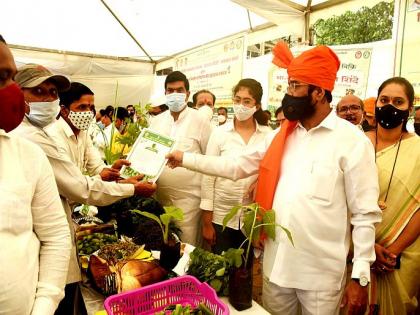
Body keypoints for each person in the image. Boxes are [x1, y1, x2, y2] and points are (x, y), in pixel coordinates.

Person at [167, 42, 382, 315]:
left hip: (320, 278)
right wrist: (184, 158)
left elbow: (365, 214)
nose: (288, 94)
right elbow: (235, 166)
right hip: (275, 269)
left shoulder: (352, 142)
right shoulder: (281, 136)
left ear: (318, 92)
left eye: (295, 86)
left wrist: (360, 276)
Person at [11, 63, 156, 315]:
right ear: (17, 93)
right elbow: (81, 187)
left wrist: (115, 176)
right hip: (40, 239)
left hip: (56, 226)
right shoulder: (34, 138)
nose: (48, 99)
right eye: (38, 92)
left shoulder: (45, 132)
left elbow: (93, 170)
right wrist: (132, 190)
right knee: (57, 299)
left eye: (53, 92)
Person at [0, 34, 71, 315]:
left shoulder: (27, 153)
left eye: (54, 93)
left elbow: (54, 236)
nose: (10, 90)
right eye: (1, 78)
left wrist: (43, 306)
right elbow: (81, 187)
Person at [365, 77, 419, 315]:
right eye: (384, 100)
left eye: (398, 102)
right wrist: (366, 247)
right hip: (355, 247)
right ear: (376, 103)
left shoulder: (418, 149)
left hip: (402, 253)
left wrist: (393, 249)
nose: (390, 106)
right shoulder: (356, 144)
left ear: (409, 109)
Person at [201, 78, 271, 253]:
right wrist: (207, 222)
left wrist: (259, 180)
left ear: (258, 105)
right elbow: (208, 176)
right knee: (220, 270)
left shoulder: (267, 135)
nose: (241, 105)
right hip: (221, 216)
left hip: (251, 219)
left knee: (244, 271)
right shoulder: (219, 134)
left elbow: (271, 170)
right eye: (237, 100)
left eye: (247, 101)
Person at [149, 71, 212, 246]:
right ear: (165, 93)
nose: (175, 94)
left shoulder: (201, 121)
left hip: (189, 202)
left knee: (185, 247)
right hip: (159, 198)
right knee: (161, 246)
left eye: (180, 90)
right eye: (170, 90)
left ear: (188, 94)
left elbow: (210, 163)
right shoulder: (156, 121)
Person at [50, 82, 128, 181]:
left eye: (91, 108)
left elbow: (96, 167)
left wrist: (114, 169)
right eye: (82, 107)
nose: (88, 113)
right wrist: (101, 177)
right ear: (64, 110)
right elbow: (74, 183)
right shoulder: (54, 137)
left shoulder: (83, 134)